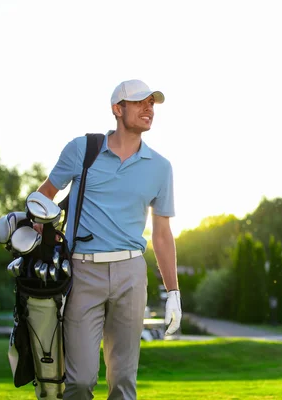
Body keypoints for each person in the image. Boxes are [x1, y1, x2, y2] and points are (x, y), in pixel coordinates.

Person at [34, 79, 182, 400]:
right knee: (80, 380)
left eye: (152, 103)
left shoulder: (160, 167)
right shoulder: (81, 150)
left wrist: (173, 293)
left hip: (131, 274)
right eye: (140, 102)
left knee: (124, 381)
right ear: (118, 109)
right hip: (83, 272)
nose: (148, 108)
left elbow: (161, 233)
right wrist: (36, 229)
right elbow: (45, 195)